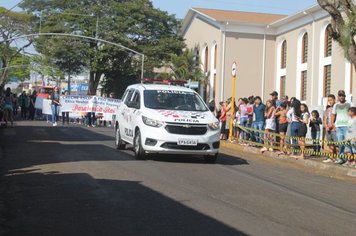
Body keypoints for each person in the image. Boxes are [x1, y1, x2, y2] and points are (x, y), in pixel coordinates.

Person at [332, 90, 354, 164]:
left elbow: (354, 114)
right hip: (338, 127)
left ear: (345, 96)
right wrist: (333, 124)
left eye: (342, 95)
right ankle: (341, 159)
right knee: (340, 144)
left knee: (348, 144)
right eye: (340, 95)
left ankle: (349, 160)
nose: (341, 97)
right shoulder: (336, 105)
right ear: (338, 97)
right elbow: (333, 115)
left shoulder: (350, 104)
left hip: (348, 127)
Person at [323, 94, 338, 163]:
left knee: (337, 144)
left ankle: (338, 158)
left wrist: (331, 126)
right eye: (329, 100)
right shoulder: (328, 109)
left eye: (331, 100)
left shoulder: (337, 107)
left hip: (334, 129)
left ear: (334, 100)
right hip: (328, 129)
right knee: (330, 144)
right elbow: (325, 118)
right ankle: (331, 157)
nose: (330, 101)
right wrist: (326, 126)